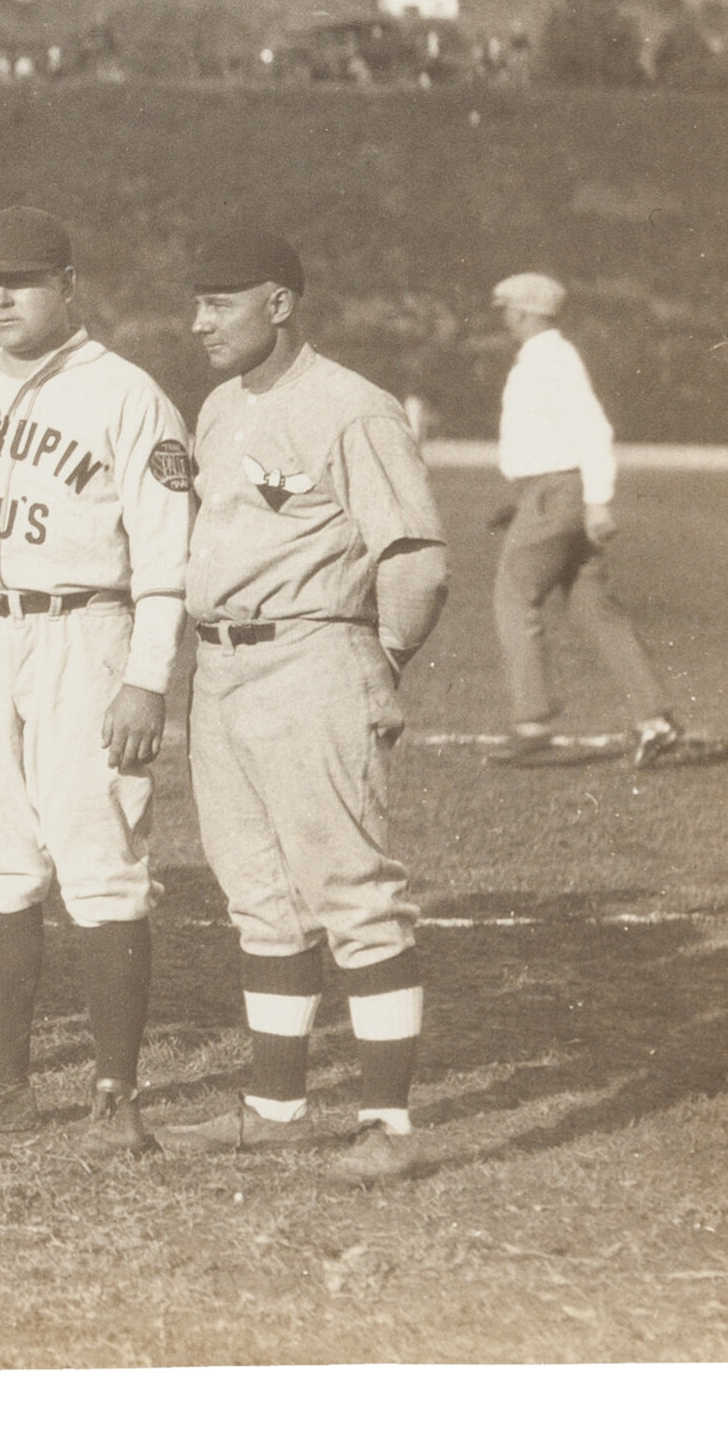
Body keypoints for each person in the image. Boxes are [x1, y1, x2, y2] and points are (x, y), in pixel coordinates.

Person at [0, 207, 193, 1153]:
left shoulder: (129, 396)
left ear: (68, 286)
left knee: (100, 861)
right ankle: (4, 1077)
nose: (1, 298)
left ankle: (114, 1095)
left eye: (21, 281)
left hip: (83, 633)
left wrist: (145, 679)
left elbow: (169, 559)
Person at [155, 229, 448, 1184]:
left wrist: (375, 663)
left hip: (314, 654)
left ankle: (388, 1129)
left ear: (279, 303)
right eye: (196, 303)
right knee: (262, 903)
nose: (199, 322)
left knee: (353, 893)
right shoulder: (219, 407)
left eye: (221, 302)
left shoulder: (351, 408)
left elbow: (417, 563)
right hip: (223, 671)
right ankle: (276, 1109)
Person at [482, 272, 682, 769]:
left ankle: (532, 722)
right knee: (594, 607)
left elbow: (593, 430)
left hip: (558, 493)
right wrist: (527, 499)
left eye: (506, 308)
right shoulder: (547, 358)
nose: (503, 317)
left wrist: (596, 500)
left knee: (514, 594)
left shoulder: (551, 360)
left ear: (524, 312)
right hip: (551, 494)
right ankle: (655, 720)